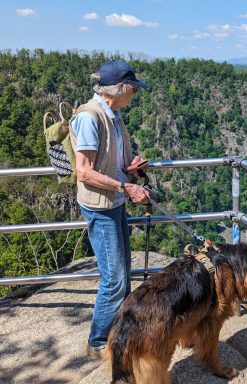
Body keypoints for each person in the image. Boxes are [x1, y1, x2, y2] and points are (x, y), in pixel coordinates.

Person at [69, 60, 150, 357]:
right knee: (114, 279)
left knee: (122, 274)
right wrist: (124, 187)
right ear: (119, 88)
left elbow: (107, 162)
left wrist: (129, 169)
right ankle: (99, 342)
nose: (134, 95)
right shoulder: (91, 118)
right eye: (132, 88)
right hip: (101, 206)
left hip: (114, 203)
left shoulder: (112, 115)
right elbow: (85, 172)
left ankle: (119, 333)